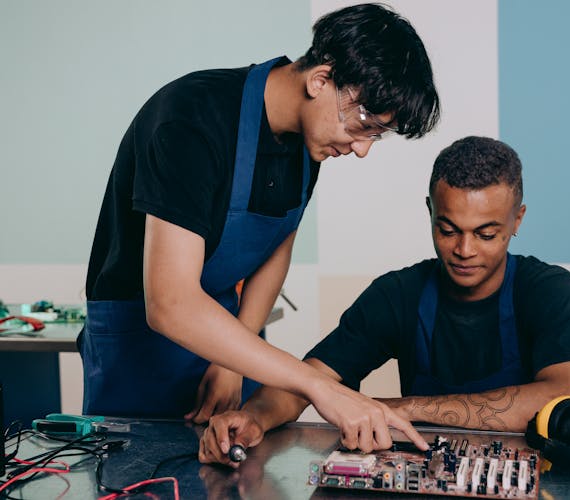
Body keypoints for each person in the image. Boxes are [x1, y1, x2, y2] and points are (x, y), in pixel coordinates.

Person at [79, 3, 440, 452]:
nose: (362, 150)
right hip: (140, 350)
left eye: (377, 135)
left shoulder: (310, 147)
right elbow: (170, 303)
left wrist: (233, 360)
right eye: (364, 125)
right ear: (320, 80)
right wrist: (318, 386)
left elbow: (276, 246)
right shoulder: (190, 118)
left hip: (228, 343)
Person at [198, 136, 570, 466]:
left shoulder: (550, 290)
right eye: (447, 229)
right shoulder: (398, 294)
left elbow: (562, 395)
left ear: (518, 220)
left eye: (486, 235)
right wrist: (252, 418)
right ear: (430, 211)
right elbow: (309, 381)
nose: (464, 249)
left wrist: (398, 410)